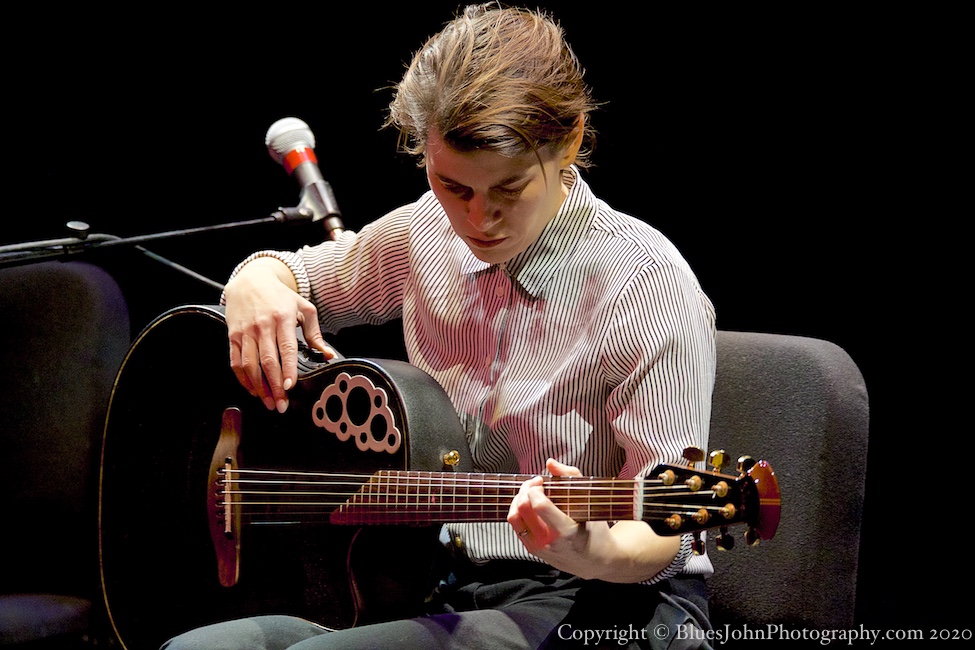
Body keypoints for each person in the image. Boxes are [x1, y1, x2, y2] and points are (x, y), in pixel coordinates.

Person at [164, 4, 716, 649]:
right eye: (454, 188)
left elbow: (665, 529)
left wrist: (587, 547)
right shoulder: (425, 231)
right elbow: (302, 275)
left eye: (508, 190)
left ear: (569, 144)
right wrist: (256, 280)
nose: (479, 220)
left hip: (607, 598)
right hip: (430, 578)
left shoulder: (645, 285)